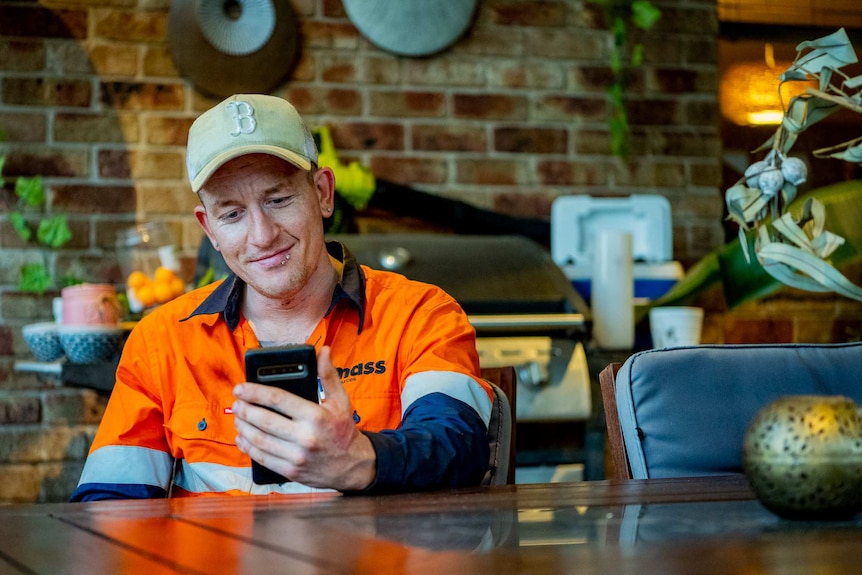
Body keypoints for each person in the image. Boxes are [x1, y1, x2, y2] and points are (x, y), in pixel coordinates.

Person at [70, 94, 493, 500]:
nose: (262, 236)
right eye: (232, 214)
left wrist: (362, 460)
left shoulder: (420, 313)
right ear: (209, 230)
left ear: (323, 193)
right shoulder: (160, 341)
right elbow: (109, 506)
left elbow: (458, 444)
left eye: (278, 199)